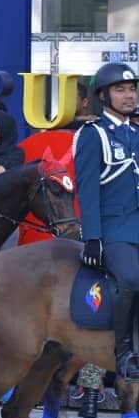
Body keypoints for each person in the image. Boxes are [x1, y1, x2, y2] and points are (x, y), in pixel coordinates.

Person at [74, 62, 139, 381]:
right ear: (103, 95)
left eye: (132, 89)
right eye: (120, 90)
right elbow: (87, 189)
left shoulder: (136, 134)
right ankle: (125, 353)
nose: (129, 96)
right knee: (130, 279)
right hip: (114, 231)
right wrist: (93, 236)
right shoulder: (92, 135)